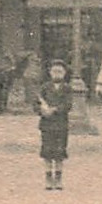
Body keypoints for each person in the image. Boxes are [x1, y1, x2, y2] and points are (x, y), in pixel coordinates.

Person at [36, 59, 72, 190]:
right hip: (46, 125)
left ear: (64, 73)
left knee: (59, 152)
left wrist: (55, 109)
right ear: (50, 73)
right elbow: (36, 104)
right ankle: (48, 179)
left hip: (61, 124)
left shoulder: (67, 88)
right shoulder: (44, 88)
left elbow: (68, 105)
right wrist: (42, 110)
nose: (57, 74)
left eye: (60, 71)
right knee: (47, 152)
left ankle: (58, 179)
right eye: (54, 71)